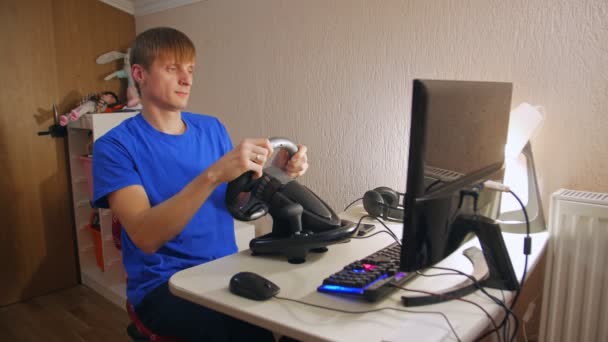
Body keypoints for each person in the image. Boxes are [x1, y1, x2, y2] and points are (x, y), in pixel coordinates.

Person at [92, 27, 308, 341]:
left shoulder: (211, 128)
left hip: (224, 268)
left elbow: (238, 200)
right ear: (139, 74)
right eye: (172, 69)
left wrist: (278, 172)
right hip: (163, 284)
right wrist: (212, 175)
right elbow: (145, 236)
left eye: (190, 70)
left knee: (303, 313)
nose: (187, 79)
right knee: (249, 334)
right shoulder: (114, 147)